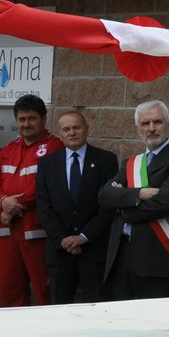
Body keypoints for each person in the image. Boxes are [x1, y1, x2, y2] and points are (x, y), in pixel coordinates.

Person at [99, 100, 169, 300]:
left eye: (157, 122)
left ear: (167, 124)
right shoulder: (130, 163)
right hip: (120, 255)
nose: (151, 128)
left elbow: (164, 204)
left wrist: (123, 209)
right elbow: (104, 195)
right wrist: (139, 194)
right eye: (145, 124)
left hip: (155, 259)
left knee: (153, 325)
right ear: (138, 128)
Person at [0, 94, 63, 307]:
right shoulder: (10, 148)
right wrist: (3, 201)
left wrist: (13, 207)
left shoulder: (54, 146)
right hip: (8, 233)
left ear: (44, 119)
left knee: (43, 291)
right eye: (21, 119)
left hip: (35, 232)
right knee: (8, 290)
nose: (26, 124)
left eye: (32, 118)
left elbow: (42, 185)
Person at [35, 109, 119, 304]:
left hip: (94, 250)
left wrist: (83, 237)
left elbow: (109, 206)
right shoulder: (47, 164)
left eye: (76, 127)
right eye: (66, 129)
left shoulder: (106, 160)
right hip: (59, 252)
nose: (72, 132)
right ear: (60, 133)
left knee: (97, 306)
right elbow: (43, 206)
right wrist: (63, 240)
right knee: (58, 308)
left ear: (86, 129)